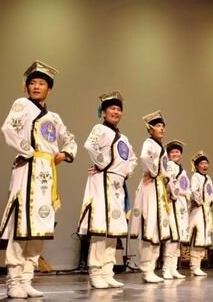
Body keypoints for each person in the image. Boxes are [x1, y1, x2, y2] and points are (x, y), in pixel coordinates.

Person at [0, 60, 77, 298]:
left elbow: (69, 139)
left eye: (41, 83)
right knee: (21, 224)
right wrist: (29, 152)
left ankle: (27, 278)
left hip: (46, 173)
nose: (36, 86)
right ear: (26, 87)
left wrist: (65, 153)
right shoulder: (21, 104)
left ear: (49, 89)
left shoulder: (54, 116)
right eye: (32, 83)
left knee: (40, 226)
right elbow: (8, 129)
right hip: (28, 168)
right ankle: (13, 280)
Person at [77, 91, 138, 288]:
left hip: (118, 185)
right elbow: (90, 145)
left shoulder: (124, 138)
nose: (116, 112)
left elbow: (133, 159)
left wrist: (125, 172)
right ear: (103, 112)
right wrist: (103, 164)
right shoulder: (99, 129)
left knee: (114, 230)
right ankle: (95, 272)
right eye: (112, 108)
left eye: (119, 109)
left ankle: (107, 271)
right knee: (100, 228)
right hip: (102, 181)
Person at [130, 111, 172, 283]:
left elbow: (165, 168)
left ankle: (151, 268)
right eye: (158, 126)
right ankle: (146, 268)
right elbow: (144, 157)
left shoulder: (161, 147)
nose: (162, 129)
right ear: (150, 129)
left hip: (158, 188)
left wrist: (165, 178)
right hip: (150, 187)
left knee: (157, 228)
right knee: (149, 226)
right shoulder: (149, 143)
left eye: (163, 126)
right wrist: (155, 173)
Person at [162, 139, 191, 280]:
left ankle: (173, 268)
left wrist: (187, 195)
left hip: (182, 204)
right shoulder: (169, 166)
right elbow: (169, 183)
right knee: (173, 236)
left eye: (177, 152)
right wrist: (174, 194)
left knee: (178, 237)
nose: (175, 154)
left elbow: (187, 187)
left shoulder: (182, 170)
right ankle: (166, 268)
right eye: (172, 152)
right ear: (168, 154)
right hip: (173, 202)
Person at [188, 150, 213, 276]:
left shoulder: (208, 178)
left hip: (205, 210)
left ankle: (198, 265)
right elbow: (194, 191)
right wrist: (200, 202)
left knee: (203, 238)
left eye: (206, 163)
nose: (205, 165)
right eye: (202, 163)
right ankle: (194, 266)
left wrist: (210, 201)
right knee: (198, 237)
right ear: (197, 166)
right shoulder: (195, 177)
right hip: (198, 211)